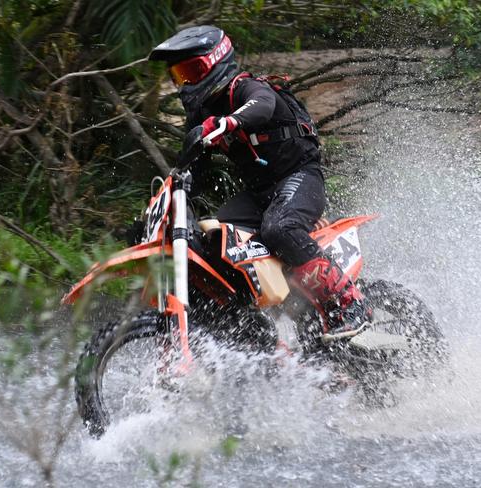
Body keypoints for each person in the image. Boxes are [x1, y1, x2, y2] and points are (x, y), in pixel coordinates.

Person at [149, 25, 370, 334]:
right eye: (179, 75)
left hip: (300, 177)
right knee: (216, 241)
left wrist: (228, 122)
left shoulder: (246, 88)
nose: (185, 83)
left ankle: (349, 303)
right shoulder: (200, 118)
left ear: (216, 62)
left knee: (279, 227)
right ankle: (245, 327)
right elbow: (193, 174)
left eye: (191, 71)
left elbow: (262, 107)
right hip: (259, 195)